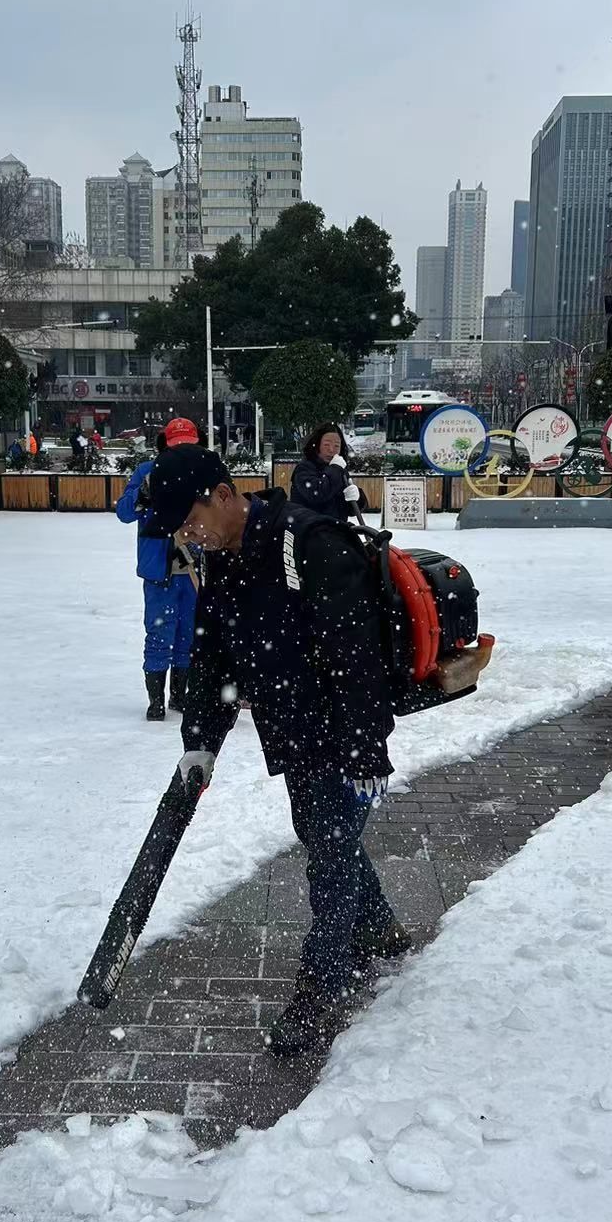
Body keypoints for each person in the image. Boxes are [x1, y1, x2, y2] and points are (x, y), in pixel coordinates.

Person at [141, 444, 410, 1058]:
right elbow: (210, 660)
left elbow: (357, 656)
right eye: (178, 530)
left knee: (330, 854)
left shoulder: (308, 544)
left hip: (340, 734)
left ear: (223, 494)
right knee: (323, 837)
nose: (187, 536)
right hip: (295, 731)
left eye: (189, 520)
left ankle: (321, 990)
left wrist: (367, 751)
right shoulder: (224, 561)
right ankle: (380, 930)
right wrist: (200, 745)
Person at [115, 418, 201, 719]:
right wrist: (142, 497)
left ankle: (179, 696)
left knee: (188, 636)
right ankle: (156, 700)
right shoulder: (146, 473)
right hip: (159, 572)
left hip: (192, 571)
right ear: (165, 445)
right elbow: (124, 512)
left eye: (188, 445)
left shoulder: (203, 475)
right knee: (159, 635)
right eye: (178, 445)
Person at [290, 423, 366, 523]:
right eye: (326, 445)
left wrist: (358, 497)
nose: (331, 450)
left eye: (336, 446)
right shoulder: (304, 469)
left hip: (335, 531)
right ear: (317, 445)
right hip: (309, 532)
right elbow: (317, 494)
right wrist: (335, 468)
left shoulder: (339, 470)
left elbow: (349, 510)